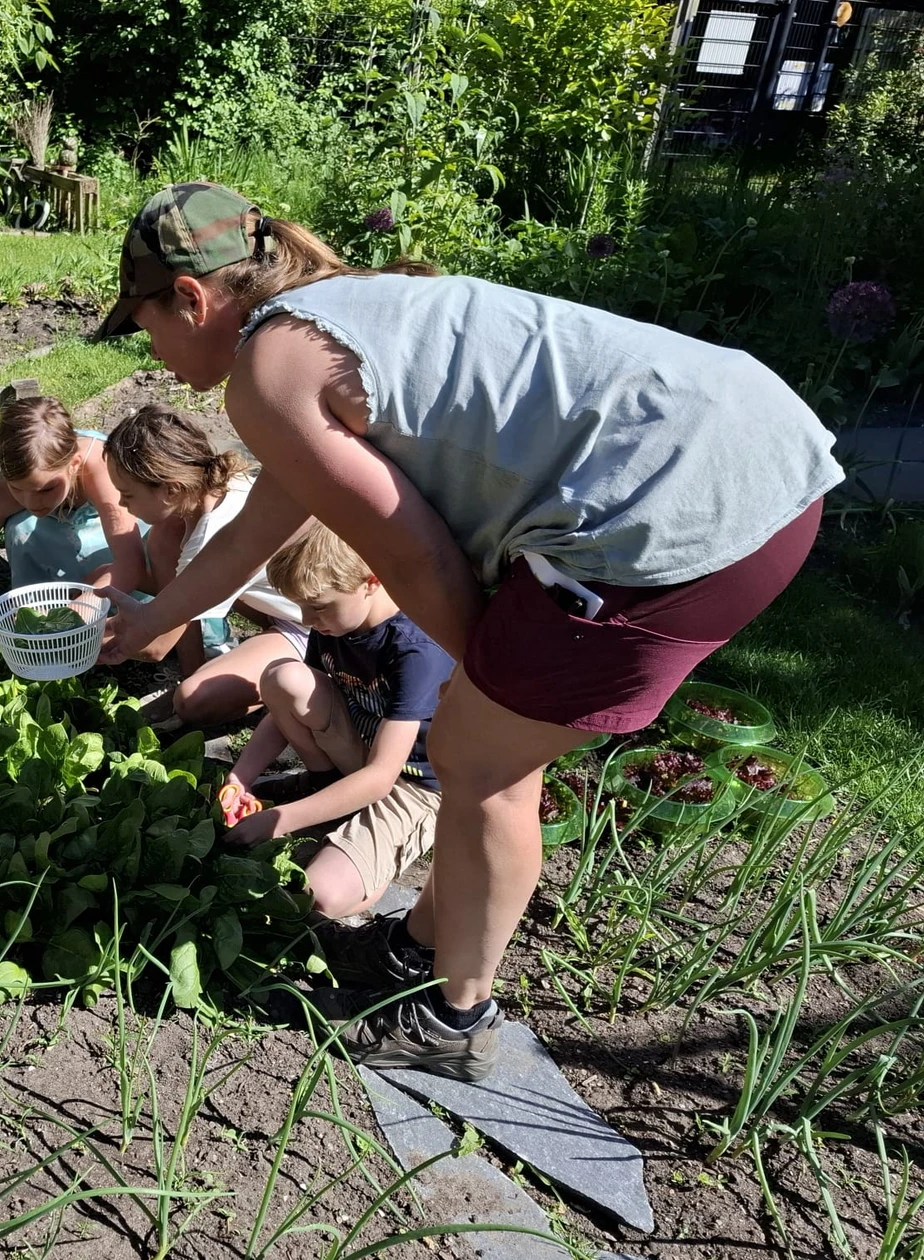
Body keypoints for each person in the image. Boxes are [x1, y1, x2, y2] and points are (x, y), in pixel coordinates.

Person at [94, 182, 843, 1081]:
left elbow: (416, 563)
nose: (157, 355)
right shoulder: (325, 318)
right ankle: (415, 952)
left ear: (191, 297)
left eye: (146, 329)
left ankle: (456, 1020)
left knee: (482, 765)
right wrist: (151, 615)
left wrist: (478, 677)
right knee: (480, 748)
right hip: (744, 451)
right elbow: (257, 537)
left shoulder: (269, 369)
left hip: (680, 509)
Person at [220, 524, 451, 925]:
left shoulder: (416, 650)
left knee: (318, 897)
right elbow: (283, 710)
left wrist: (280, 819)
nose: (307, 618)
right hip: (360, 751)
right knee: (283, 677)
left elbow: (382, 777)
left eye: (319, 606)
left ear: (371, 581)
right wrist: (240, 776)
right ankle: (324, 787)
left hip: (412, 783)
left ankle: (370, 853)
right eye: (301, 607)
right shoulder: (334, 624)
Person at [104, 404, 307, 725]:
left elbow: (157, 646)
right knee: (163, 539)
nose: (120, 503)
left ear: (170, 489)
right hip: (281, 608)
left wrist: (80, 640)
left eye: (127, 495)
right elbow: (178, 608)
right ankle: (199, 668)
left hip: (314, 628)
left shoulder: (209, 538)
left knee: (194, 701)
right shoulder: (218, 488)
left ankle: (313, 677)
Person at [0, 396, 146, 648]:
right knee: (21, 527)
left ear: (73, 464)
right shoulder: (7, 487)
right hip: (56, 541)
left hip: (115, 547)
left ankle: (98, 621)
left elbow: (131, 562)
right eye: (18, 490)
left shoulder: (101, 469)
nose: (31, 502)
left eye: (46, 490)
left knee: (98, 551)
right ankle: (43, 620)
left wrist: (86, 603)